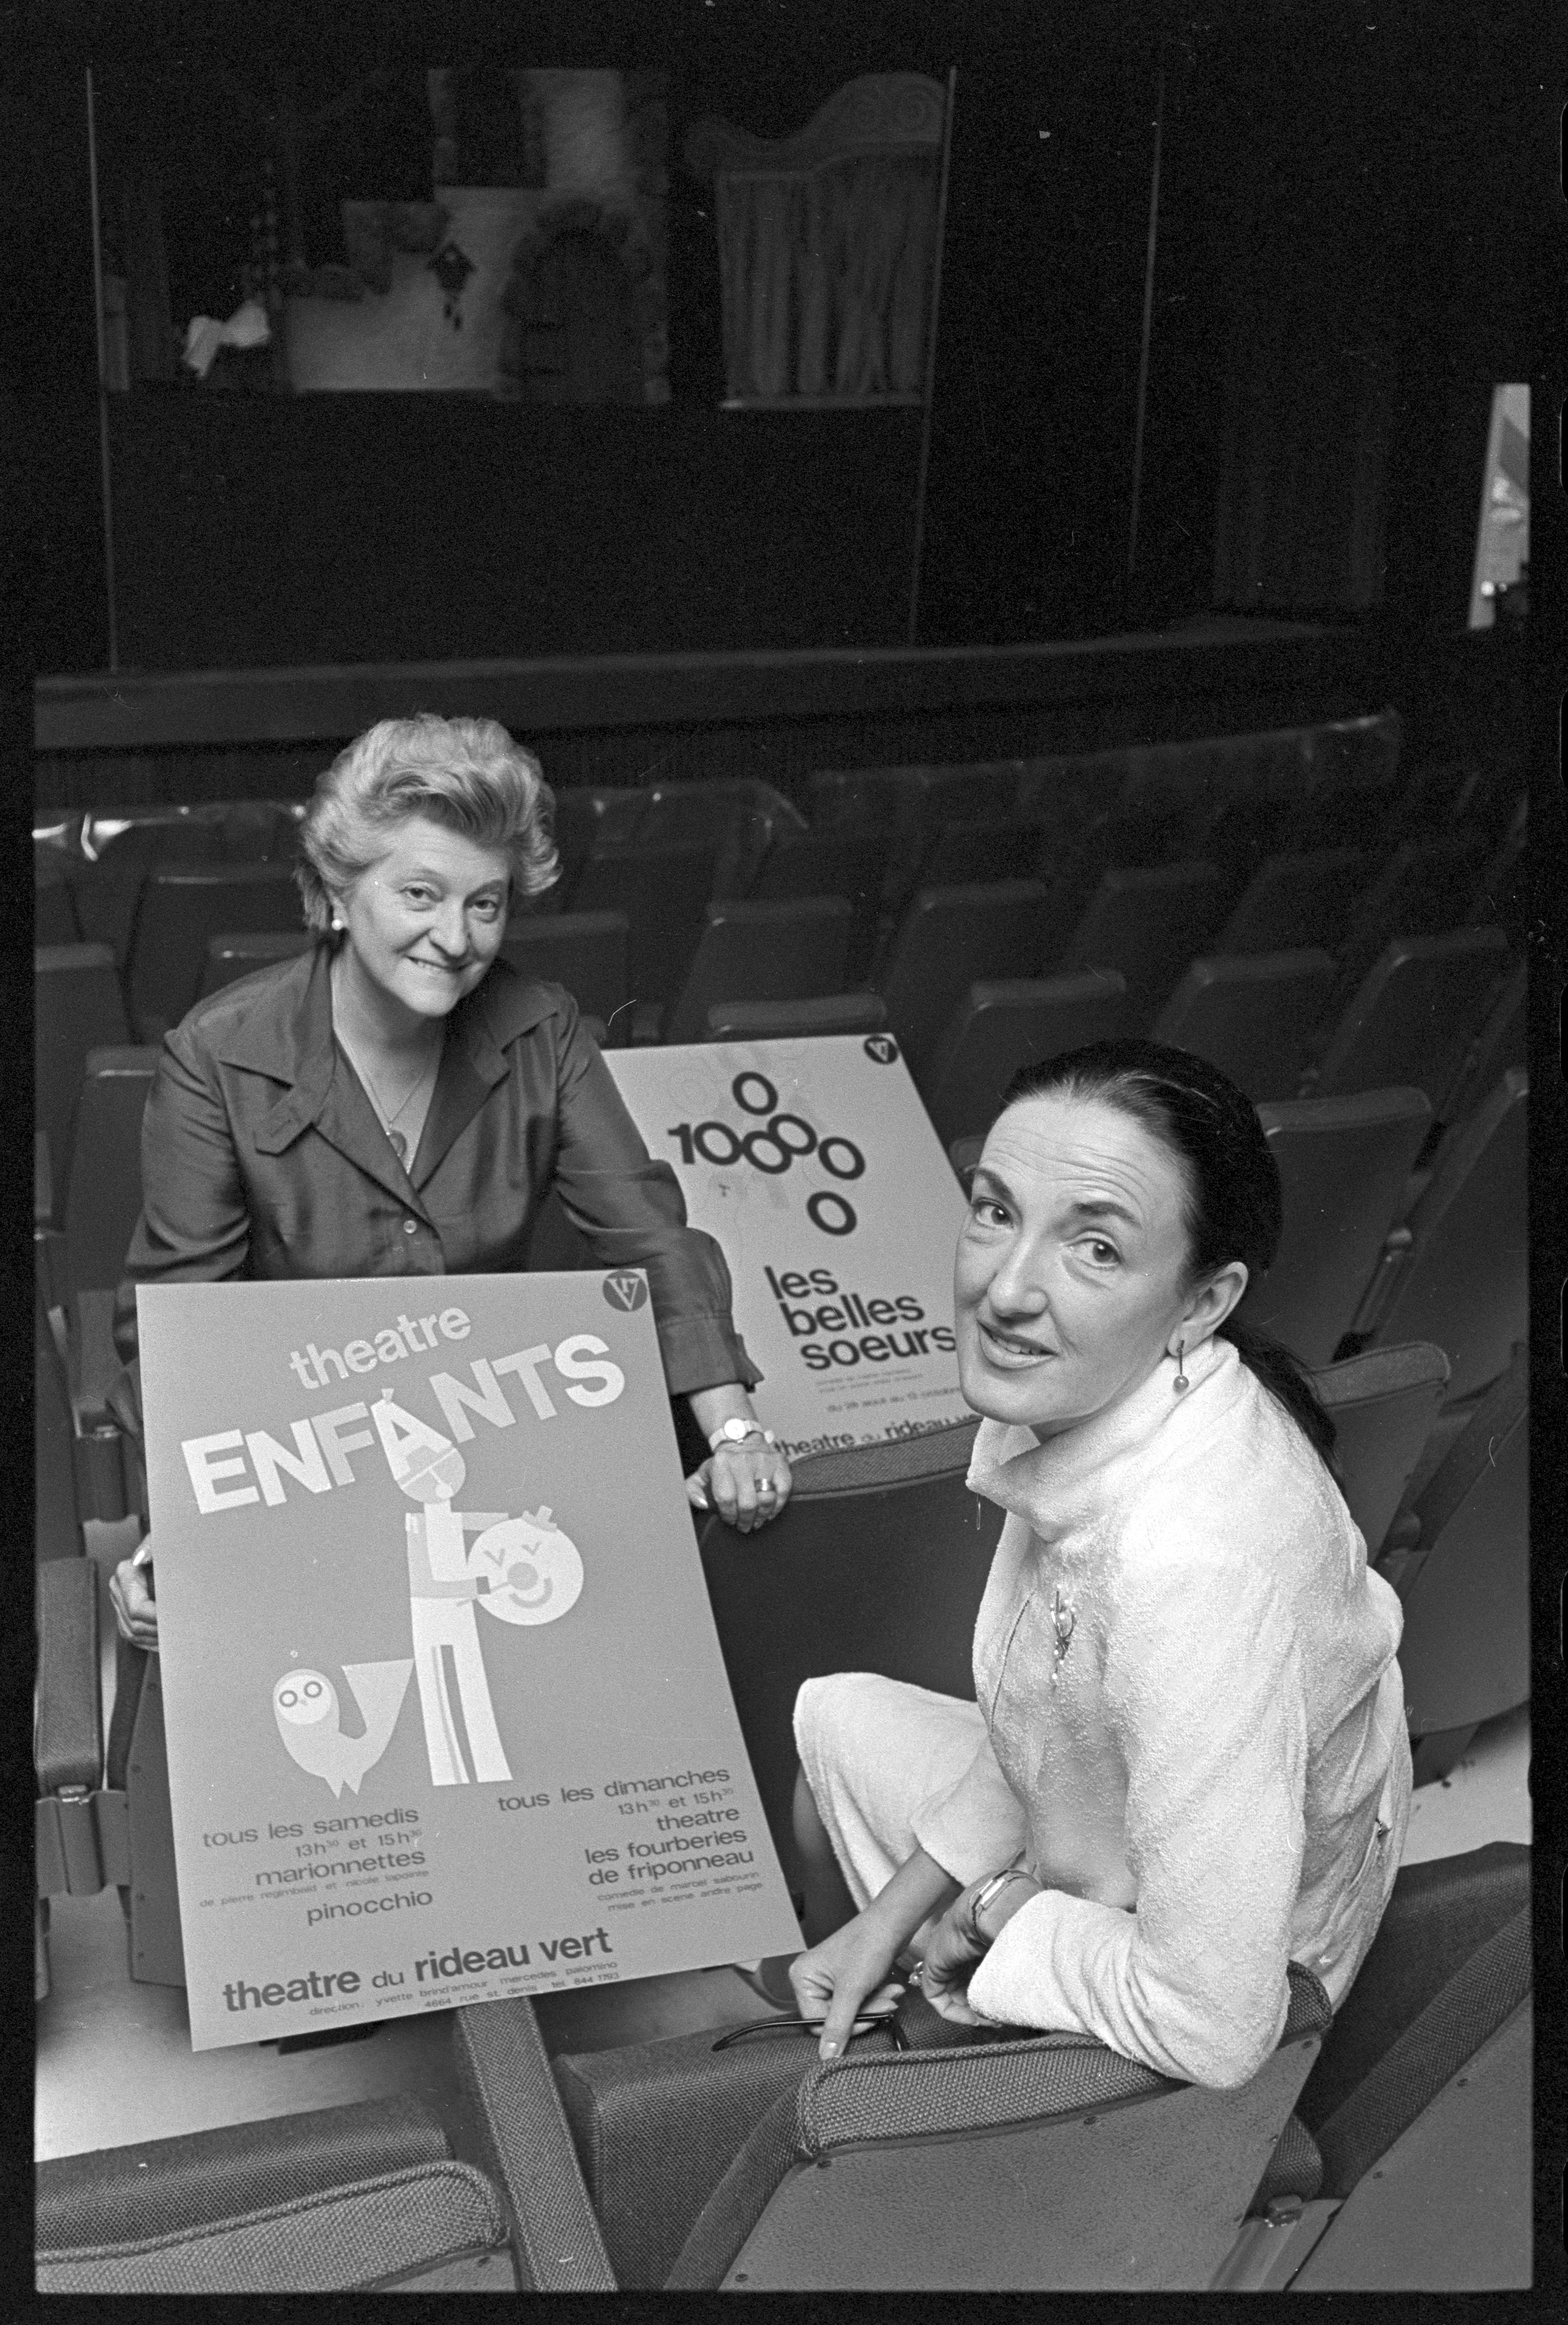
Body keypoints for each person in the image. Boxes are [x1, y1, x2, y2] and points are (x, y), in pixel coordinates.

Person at [783, 1039, 1411, 2087]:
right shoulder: (1097, 1396)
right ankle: (882, 1989)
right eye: (993, 1211)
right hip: (1127, 1832)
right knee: (831, 1721)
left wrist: (990, 1909)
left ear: (1203, 1302)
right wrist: (888, 1922)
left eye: (1095, 1249)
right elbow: (1045, 1718)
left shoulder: (1189, 1569)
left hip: (1233, 1973)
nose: (1006, 1290)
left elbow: (1211, 2024)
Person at [110, 714, 791, 1648]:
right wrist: (180, 1537)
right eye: (421, 893)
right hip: (302, 1454)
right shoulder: (220, 1052)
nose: (457, 937)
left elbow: (649, 1236)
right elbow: (181, 1327)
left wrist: (737, 1431)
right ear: (338, 895)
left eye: (487, 903)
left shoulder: (542, 1027)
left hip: (491, 1439)